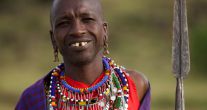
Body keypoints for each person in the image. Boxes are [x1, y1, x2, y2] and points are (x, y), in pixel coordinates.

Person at [15, 0, 150, 110]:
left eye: (87, 19)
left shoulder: (135, 86)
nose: (77, 31)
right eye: (64, 23)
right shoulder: (33, 99)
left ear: (104, 31)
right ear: (53, 39)